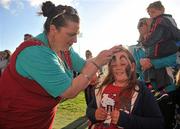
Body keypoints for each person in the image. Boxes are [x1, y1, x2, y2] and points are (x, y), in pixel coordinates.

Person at [0, 1, 121, 129]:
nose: (75, 40)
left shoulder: (64, 49)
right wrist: (96, 63)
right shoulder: (35, 52)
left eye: (77, 34)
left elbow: (84, 66)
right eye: (71, 34)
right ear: (53, 29)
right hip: (17, 120)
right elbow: (69, 91)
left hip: (42, 119)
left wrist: (105, 55)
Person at [86, 46, 164, 129]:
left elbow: (158, 123)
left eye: (123, 64)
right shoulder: (101, 88)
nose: (118, 67)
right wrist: (94, 114)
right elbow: (89, 110)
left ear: (132, 67)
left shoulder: (142, 91)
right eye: (114, 65)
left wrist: (125, 120)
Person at [133, 17, 177, 129]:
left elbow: (174, 59)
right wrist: (140, 64)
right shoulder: (137, 48)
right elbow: (136, 69)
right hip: (147, 90)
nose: (140, 27)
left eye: (143, 24)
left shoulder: (164, 42)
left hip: (167, 87)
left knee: (167, 121)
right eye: (139, 25)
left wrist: (153, 63)